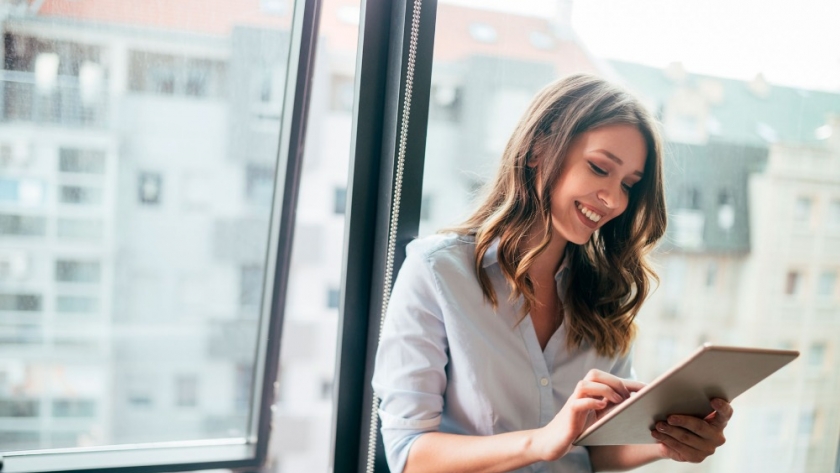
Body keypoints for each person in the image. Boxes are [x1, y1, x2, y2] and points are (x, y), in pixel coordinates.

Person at [372, 73, 732, 473]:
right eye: (599, 168)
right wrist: (541, 441)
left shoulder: (605, 294)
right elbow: (409, 454)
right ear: (538, 149)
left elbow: (599, 450)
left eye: (629, 185)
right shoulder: (437, 272)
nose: (613, 200)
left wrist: (669, 442)